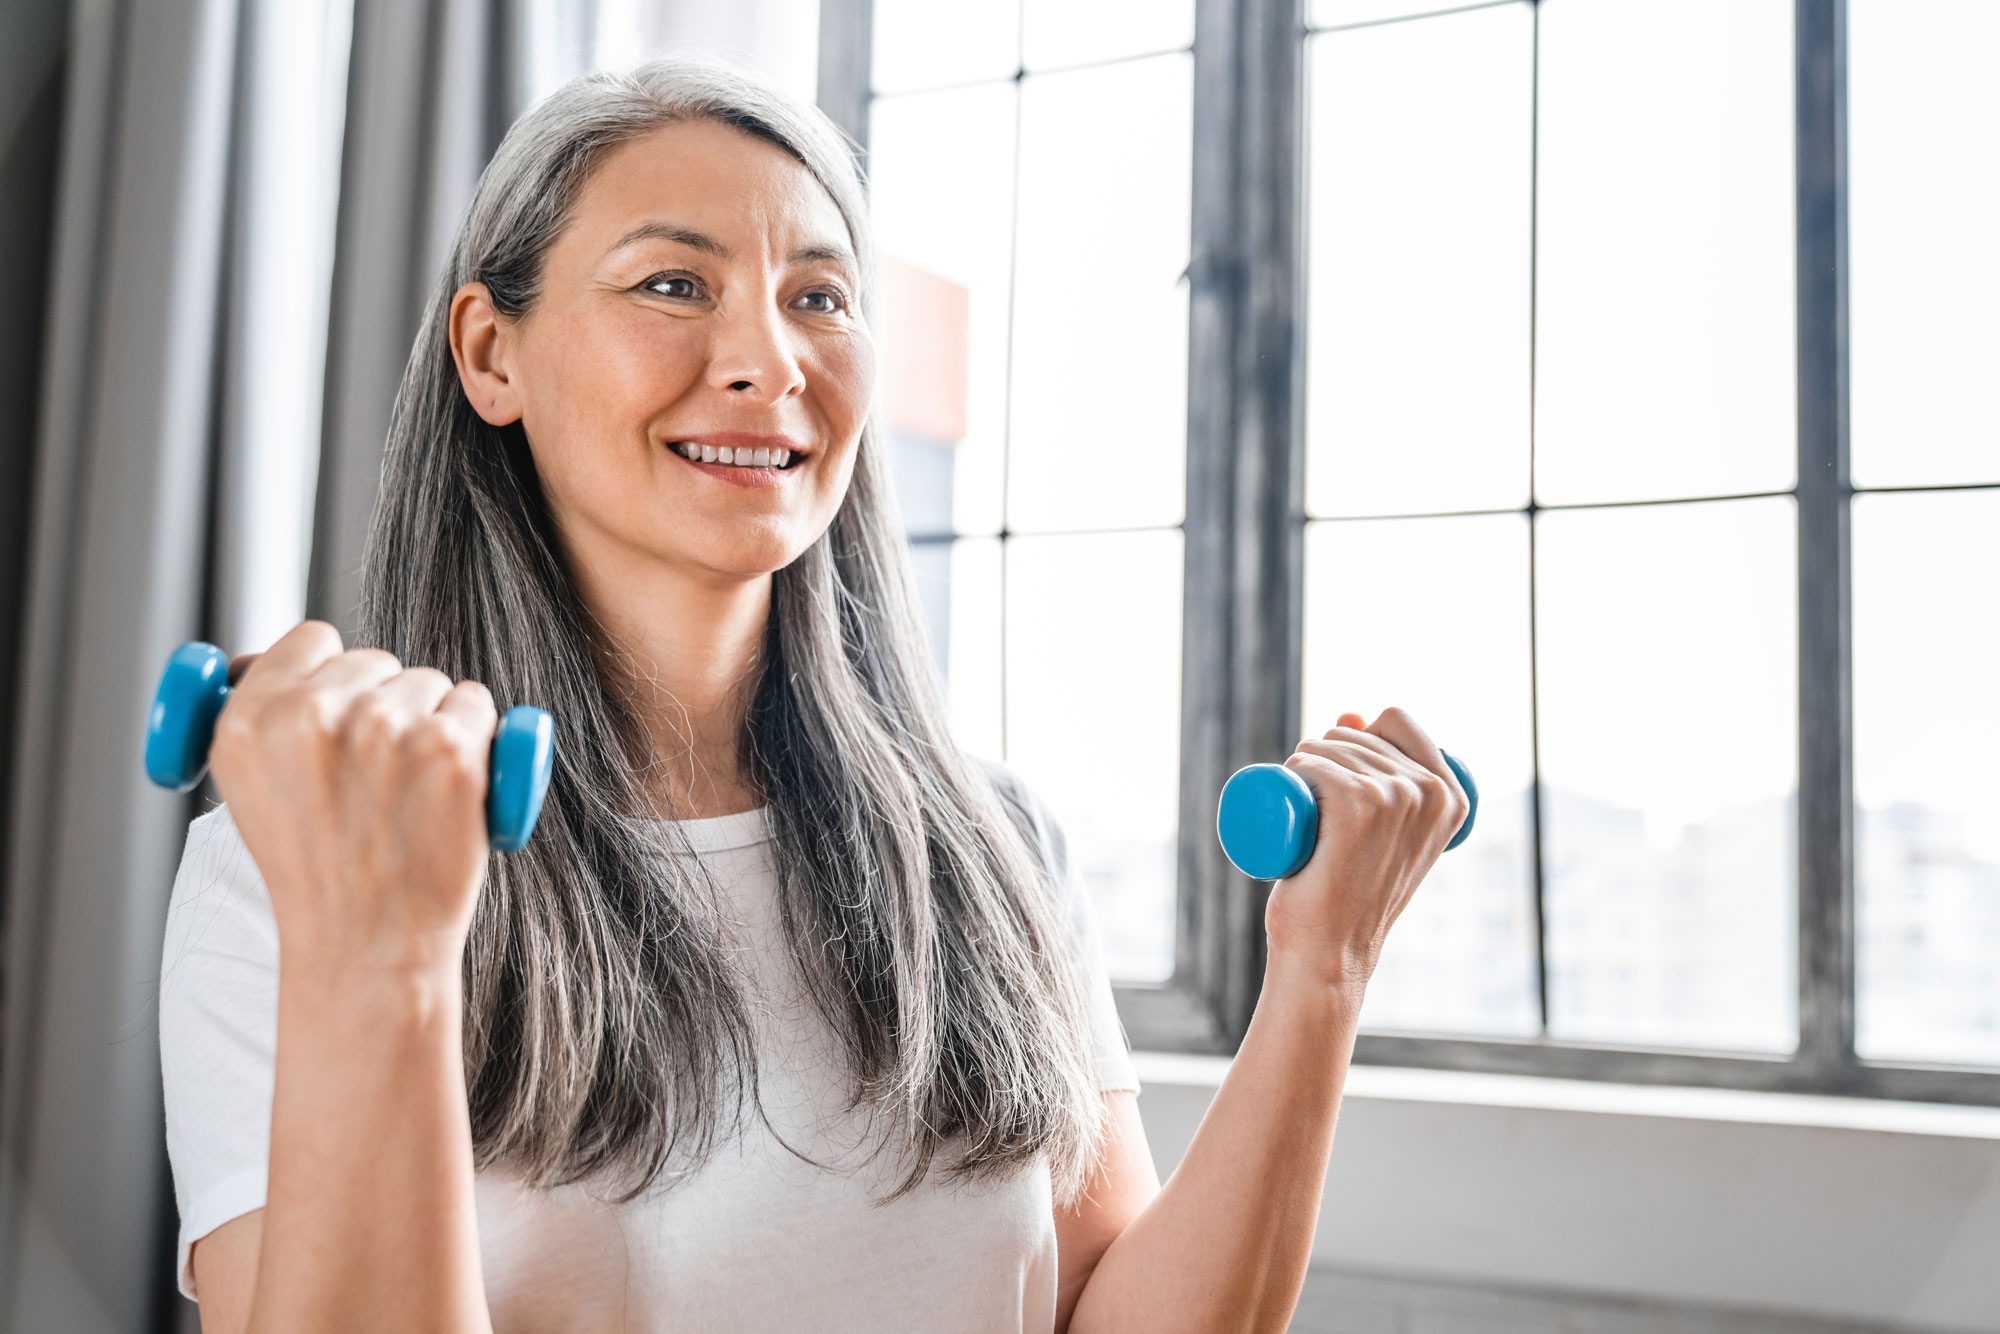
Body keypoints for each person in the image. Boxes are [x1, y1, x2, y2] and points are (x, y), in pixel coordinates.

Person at [157, 55, 1468, 1334]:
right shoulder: (285, 877)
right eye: (675, 283)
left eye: (823, 299)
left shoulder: (993, 841)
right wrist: (379, 956)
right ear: (492, 353)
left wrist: (1322, 967)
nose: (771, 361)